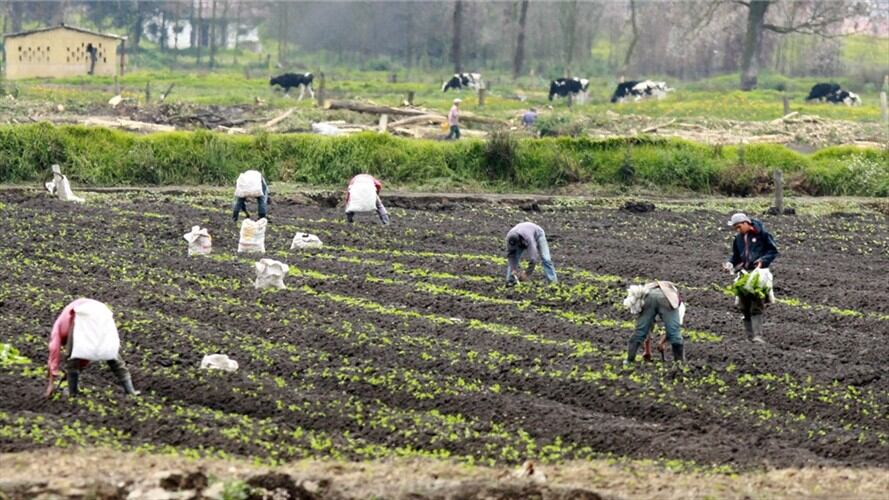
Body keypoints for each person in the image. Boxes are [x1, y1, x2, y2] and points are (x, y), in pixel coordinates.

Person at [45, 298, 139, 398]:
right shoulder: (65, 320)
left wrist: (51, 383)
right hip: (103, 311)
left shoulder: (58, 327)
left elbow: (54, 351)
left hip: (82, 314)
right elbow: (86, 353)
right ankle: (130, 391)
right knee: (109, 350)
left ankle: (73, 393)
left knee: (72, 358)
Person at [723, 212, 779, 343]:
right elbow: (736, 256)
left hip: (759, 273)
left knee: (756, 304)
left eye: (739, 227)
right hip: (744, 273)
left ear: (746, 223)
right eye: (735, 228)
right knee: (744, 305)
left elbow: (773, 251)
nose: (738, 230)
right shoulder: (738, 239)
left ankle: (757, 336)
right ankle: (749, 336)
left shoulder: (762, 234)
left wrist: (762, 260)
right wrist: (730, 264)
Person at [625, 281, 685, 364]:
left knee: (640, 330)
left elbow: (648, 327)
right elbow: (673, 328)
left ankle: (629, 360)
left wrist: (649, 349)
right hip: (667, 298)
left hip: (648, 295)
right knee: (675, 333)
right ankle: (679, 362)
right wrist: (661, 343)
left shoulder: (650, 291)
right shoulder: (678, 303)